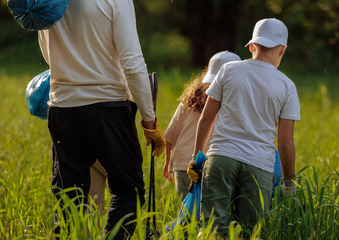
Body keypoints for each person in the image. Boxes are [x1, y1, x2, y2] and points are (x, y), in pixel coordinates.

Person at [37, 0, 166, 239]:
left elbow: (48, 56)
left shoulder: (50, 0)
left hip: (62, 108)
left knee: (68, 201)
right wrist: (149, 120)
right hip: (108, 106)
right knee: (129, 193)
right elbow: (133, 62)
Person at [188, 18, 301, 237]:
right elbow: (285, 142)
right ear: (283, 50)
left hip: (221, 158)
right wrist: (289, 181)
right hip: (259, 167)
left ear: (251, 46)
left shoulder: (229, 70)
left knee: (213, 230)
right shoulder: (287, 86)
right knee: (249, 231)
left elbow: (206, 118)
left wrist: (196, 157)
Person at [163, 51, 241, 199]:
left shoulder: (188, 100)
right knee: (208, 216)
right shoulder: (231, 102)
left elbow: (169, 136)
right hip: (211, 167)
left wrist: (168, 163)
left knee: (187, 217)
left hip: (182, 166)